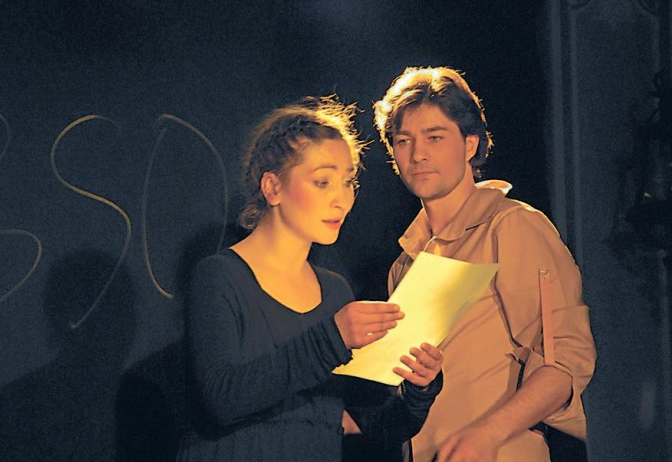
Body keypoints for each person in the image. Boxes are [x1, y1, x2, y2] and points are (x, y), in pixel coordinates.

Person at [177, 96, 444, 462]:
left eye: (348, 182)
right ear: (273, 188)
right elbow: (221, 399)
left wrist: (419, 389)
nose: (341, 200)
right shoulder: (220, 276)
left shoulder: (334, 291)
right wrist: (333, 338)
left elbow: (365, 425)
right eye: (322, 182)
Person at [373, 67, 597, 461]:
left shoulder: (510, 226)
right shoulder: (404, 265)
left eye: (435, 137)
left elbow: (564, 362)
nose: (418, 154)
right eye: (403, 140)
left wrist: (489, 434)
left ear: (470, 144)